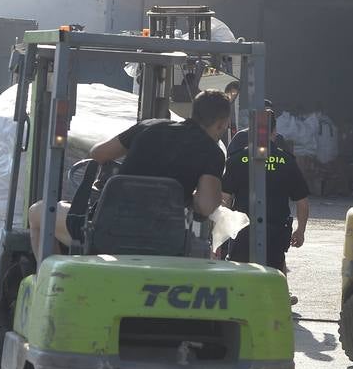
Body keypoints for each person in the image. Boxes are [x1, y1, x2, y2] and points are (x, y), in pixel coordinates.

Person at [29, 89, 233, 260]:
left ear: (194, 112)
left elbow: (98, 154)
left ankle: (55, 282)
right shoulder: (212, 152)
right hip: (164, 237)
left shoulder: (149, 127)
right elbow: (206, 207)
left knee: (37, 212)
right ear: (222, 124)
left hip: (108, 232)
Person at [222, 108, 310, 302]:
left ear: (250, 132)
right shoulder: (287, 161)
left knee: (237, 279)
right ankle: (280, 298)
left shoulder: (236, 160)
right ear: (274, 132)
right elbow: (302, 201)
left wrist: (220, 236)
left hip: (242, 232)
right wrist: (300, 230)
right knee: (276, 269)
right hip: (276, 233)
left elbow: (224, 200)